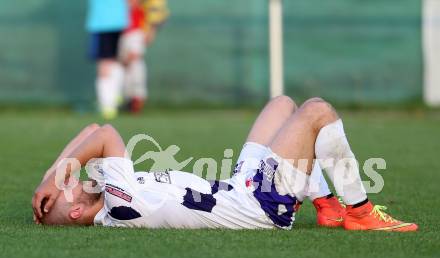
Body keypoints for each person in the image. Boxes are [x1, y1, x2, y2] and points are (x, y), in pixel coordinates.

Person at [32, 96, 418, 232]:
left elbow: (92, 128)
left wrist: (50, 181)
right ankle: (360, 212)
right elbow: (105, 135)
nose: (72, 174)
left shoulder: (104, 190)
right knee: (317, 111)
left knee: (282, 104)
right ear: (78, 210)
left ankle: (328, 208)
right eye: (68, 184)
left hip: (240, 187)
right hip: (258, 208)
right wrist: (54, 178)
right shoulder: (119, 204)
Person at [119, 0, 169, 113]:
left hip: (136, 30)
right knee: (124, 65)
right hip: (122, 31)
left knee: (135, 62)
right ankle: (128, 98)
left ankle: (137, 97)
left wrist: (152, 30)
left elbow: (156, 8)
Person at [86, 0, 129, 119]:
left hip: (103, 22)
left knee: (104, 62)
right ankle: (116, 95)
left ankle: (107, 104)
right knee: (115, 60)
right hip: (120, 20)